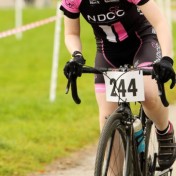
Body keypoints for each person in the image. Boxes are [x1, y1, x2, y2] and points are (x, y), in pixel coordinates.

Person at [60, 0, 176, 171]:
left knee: (149, 94)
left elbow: (159, 21)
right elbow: (71, 33)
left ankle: (164, 131)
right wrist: (76, 56)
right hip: (108, 53)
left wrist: (167, 58)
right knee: (107, 117)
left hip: (143, 43)